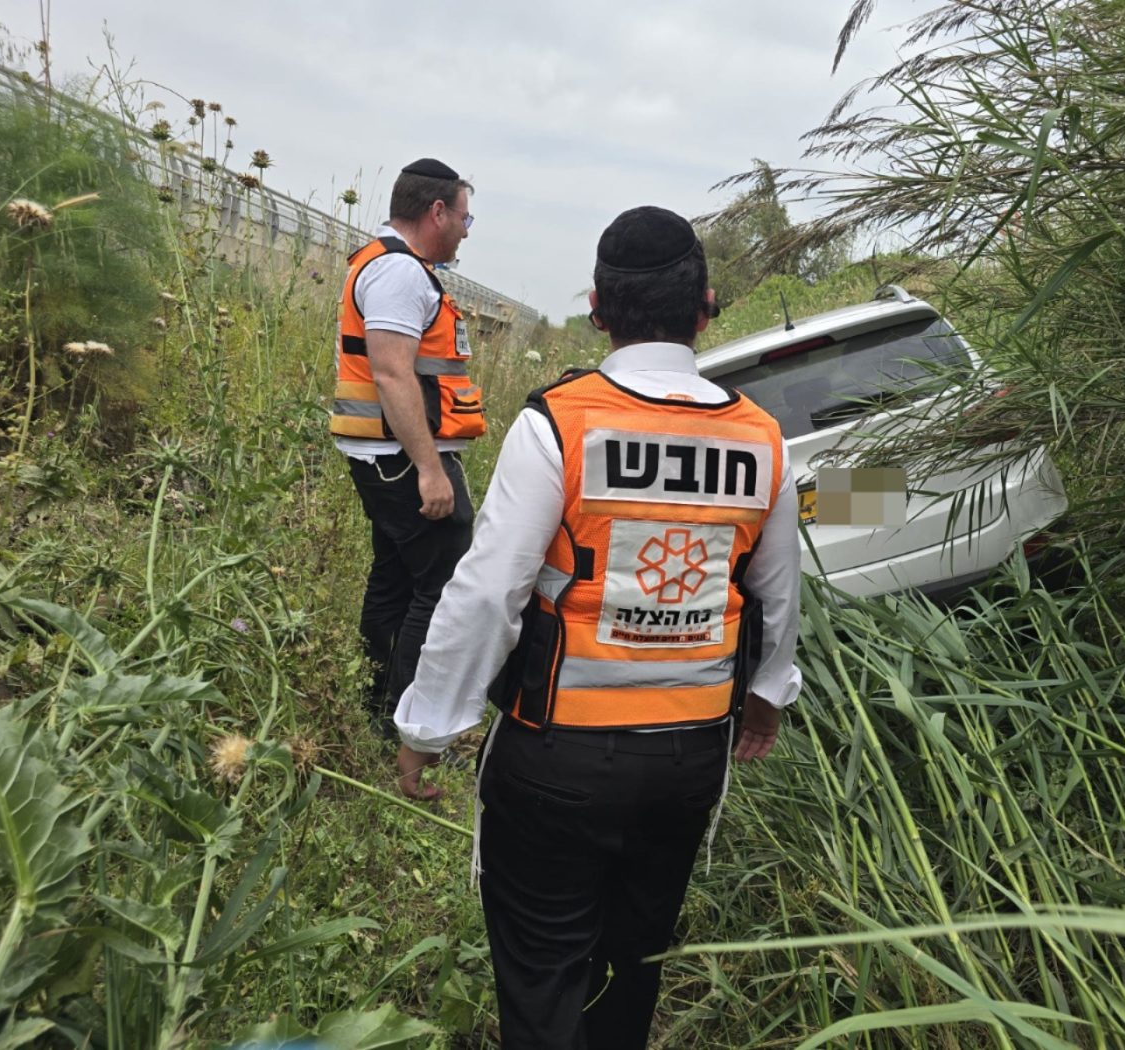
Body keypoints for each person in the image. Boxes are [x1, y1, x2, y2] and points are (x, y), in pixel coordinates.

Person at [393, 206, 801, 1049]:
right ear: (706, 308)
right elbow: (776, 597)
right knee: (632, 964)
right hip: (690, 757)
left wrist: (426, 728)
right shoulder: (763, 441)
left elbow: (488, 593)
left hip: (559, 758)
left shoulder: (560, 422)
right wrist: (766, 700)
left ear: (598, 310)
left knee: (544, 973)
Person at [332, 158, 485, 741]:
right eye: (465, 218)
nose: (466, 231)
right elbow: (392, 373)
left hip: (386, 454)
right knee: (442, 583)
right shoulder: (399, 272)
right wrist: (429, 469)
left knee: (394, 580)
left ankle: (375, 710)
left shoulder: (394, 265)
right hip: (401, 459)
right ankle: (406, 722)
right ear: (437, 211)